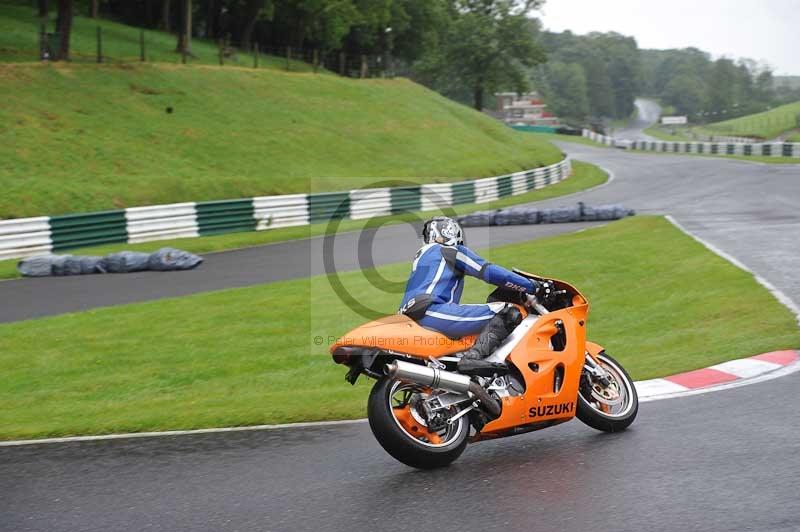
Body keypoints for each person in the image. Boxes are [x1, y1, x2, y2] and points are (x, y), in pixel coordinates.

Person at [399, 216, 543, 374]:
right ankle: (473, 357)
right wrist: (531, 286)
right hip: (432, 311)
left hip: (407, 316)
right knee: (509, 311)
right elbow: (488, 271)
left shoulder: (422, 258)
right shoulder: (450, 251)